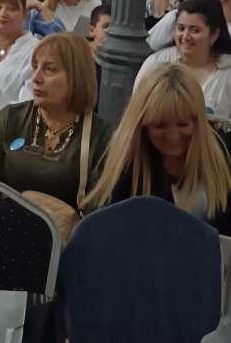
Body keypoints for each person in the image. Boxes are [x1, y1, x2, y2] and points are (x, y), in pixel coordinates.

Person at [86, 63, 231, 234]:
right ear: (142, 124)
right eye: (160, 126)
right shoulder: (124, 163)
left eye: (183, 124)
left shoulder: (223, 152)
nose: (173, 136)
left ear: (198, 122)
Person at [0, 34, 112, 206]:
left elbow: (100, 207)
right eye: (35, 67)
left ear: (77, 76)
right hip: (5, 218)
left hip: (66, 223)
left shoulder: (101, 137)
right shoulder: (10, 118)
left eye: (49, 69)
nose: (36, 78)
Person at [135, 0, 231, 118]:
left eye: (195, 30)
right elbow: (137, 111)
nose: (186, 36)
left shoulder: (227, 72)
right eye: (181, 28)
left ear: (214, 35)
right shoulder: (156, 64)